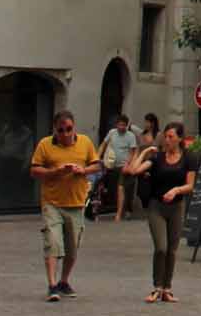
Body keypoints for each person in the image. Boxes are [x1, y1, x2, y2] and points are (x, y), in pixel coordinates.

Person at [124, 122, 196, 302]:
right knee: (161, 248)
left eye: (171, 136)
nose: (167, 140)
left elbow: (190, 185)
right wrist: (143, 153)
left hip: (177, 207)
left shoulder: (188, 158)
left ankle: (167, 288)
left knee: (172, 249)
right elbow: (133, 170)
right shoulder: (157, 158)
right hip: (157, 207)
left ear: (180, 138)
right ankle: (156, 286)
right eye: (166, 136)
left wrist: (176, 191)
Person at [30, 109, 98, 302]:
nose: (65, 134)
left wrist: (82, 170)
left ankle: (64, 281)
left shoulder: (84, 142)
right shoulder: (45, 145)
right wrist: (54, 172)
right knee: (52, 242)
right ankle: (51, 285)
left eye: (69, 129)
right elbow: (34, 170)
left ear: (74, 127)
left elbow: (97, 165)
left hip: (76, 203)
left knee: (72, 247)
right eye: (61, 130)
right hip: (52, 202)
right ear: (55, 130)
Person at [96, 114, 140, 221]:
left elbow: (132, 152)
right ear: (116, 125)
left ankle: (119, 214)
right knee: (112, 188)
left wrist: (128, 164)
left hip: (124, 167)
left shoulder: (130, 136)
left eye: (124, 125)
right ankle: (118, 209)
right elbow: (103, 145)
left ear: (127, 125)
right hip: (111, 165)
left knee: (121, 188)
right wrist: (97, 158)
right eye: (119, 125)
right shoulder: (112, 133)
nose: (121, 127)